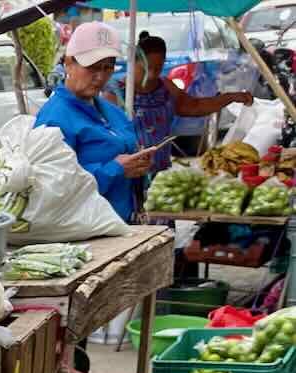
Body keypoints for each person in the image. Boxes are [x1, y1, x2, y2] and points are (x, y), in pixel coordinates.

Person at [34, 21, 156, 223]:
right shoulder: (54, 118)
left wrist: (138, 164)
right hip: (84, 234)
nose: (100, 76)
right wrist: (115, 169)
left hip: (121, 224)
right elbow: (52, 187)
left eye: (108, 67)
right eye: (92, 67)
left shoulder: (111, 111)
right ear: (68, 62)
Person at [110, 33, 253, 179]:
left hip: (160, 172)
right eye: (147, 68)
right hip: (128, 175)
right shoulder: (116, 93)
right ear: (133, 62)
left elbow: (195, 106)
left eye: (157, 68)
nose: (152, 75)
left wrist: (230, 97)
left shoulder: (165, 87)